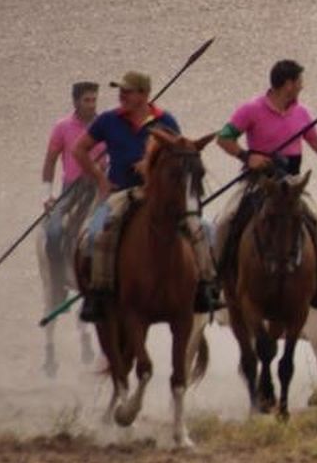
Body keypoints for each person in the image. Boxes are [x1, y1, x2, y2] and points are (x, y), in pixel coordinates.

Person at [215, 60, 317, 311]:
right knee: (225, 221)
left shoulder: (302, 112)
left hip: (293, 183)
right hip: (259, 181)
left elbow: (316, 143)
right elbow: (223, 138)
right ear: (288, 84)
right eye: (299, 81)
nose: (302, 86)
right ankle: (215, 282)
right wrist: (246, 156)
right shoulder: (250, 109)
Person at [71, 71, 214, 323]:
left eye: (128, 91)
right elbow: (79, 149)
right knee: (94, 233)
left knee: (200, 228)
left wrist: (149, 163)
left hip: (157, 194)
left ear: (144, 95)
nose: (121, 95)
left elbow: (179, 152)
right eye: (120, 91)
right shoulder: (108, 120)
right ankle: (97, 293)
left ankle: (205, 286)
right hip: (119, 192)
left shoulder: (165, 120)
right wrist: (100, 179)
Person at [40, 81, 107, 299]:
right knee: (53, 232)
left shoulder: (105, 125)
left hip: (100, 187)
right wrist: (48, 194)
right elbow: (50, 161)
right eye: (87, 100)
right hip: (72, 190)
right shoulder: (62, 127)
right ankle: (59, 284)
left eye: (94, 100)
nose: (91, 105)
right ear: (76, 101)